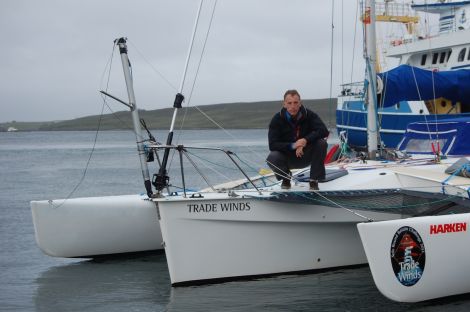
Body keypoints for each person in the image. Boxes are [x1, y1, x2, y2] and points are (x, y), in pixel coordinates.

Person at [267, 89, 329, 190]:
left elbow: (323, 131)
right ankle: (286, 178)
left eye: (296, 102)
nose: (293, 106)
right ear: (284, 104)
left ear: (300, 103)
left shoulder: (309, 115)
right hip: (288, 157)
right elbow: (272, 145)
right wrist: (293, 145)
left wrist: (305, 140)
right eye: (289, 103)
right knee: (272, 157)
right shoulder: (277, 119)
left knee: (321, 143)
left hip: (306, 155)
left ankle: (314, 181)